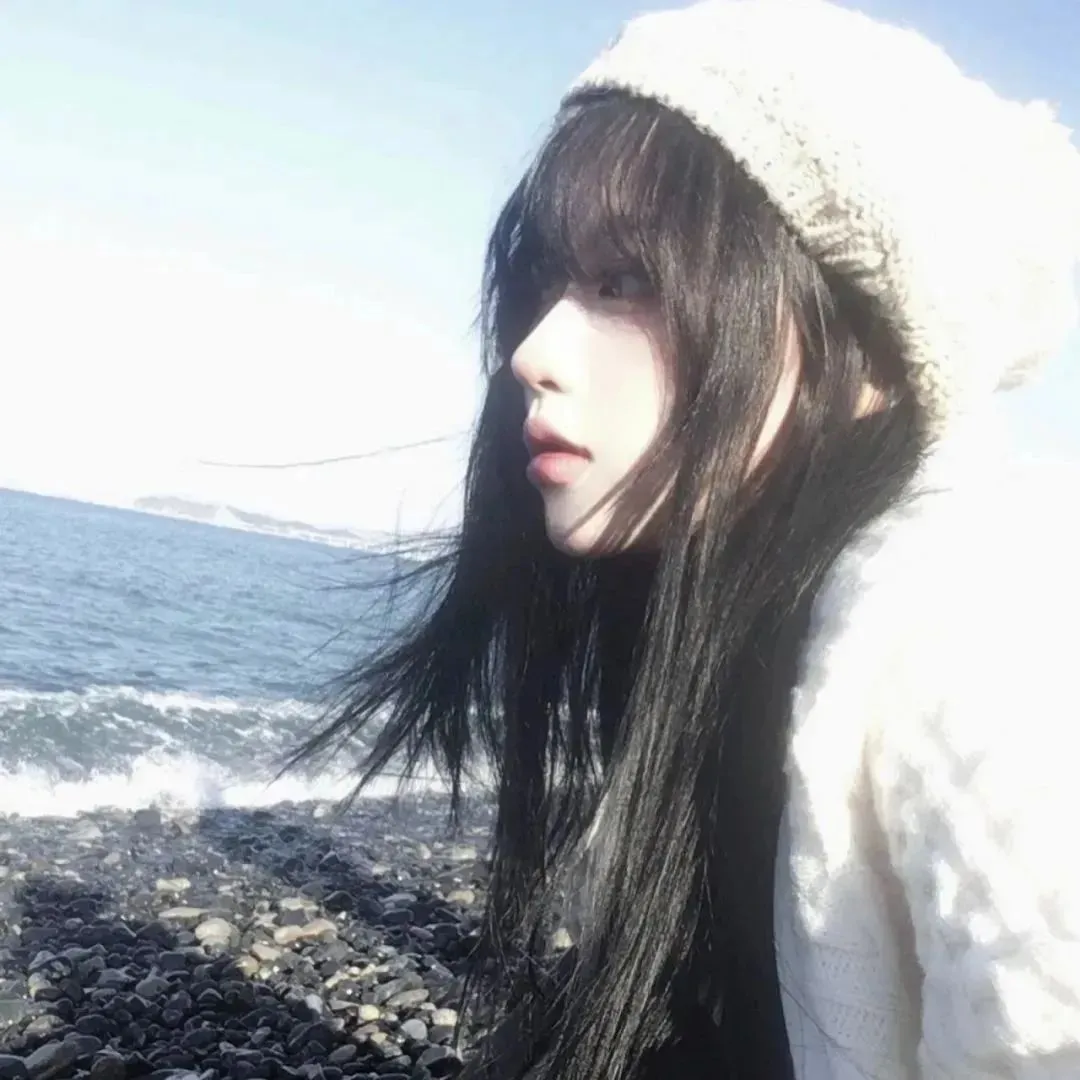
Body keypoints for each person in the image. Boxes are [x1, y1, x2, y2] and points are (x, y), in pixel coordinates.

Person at [288, 1, 1080, 1076]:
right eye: (547, 282)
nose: (531, 351)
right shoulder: (705, 610)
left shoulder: (975, 629)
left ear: (869, 350)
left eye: (628, 281)